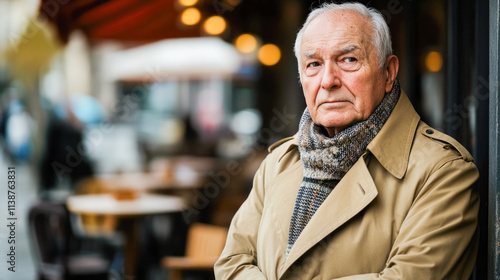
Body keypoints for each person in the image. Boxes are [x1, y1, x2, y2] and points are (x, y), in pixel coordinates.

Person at [214, 2, 479, 280]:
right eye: (313, 64)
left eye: (348, 60)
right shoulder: (278, 162)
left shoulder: (443, 171)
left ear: (388, 72)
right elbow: (231, 262)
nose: (328, 80)